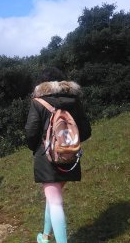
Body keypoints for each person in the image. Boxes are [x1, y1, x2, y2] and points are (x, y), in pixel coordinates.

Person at [25, 67, 91, 243]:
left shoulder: (38, 102)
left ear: (42, 83)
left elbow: (31, 132)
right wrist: (69, 143)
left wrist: (36, 149)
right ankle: (45, 236)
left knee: (54, 201)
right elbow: (85, 131)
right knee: (53, 196)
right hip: (69, 156)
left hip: (47, 157)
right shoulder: (74, 101)